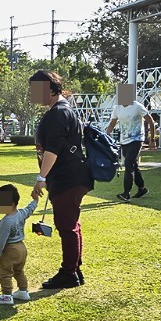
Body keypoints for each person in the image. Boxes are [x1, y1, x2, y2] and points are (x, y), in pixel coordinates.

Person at [29, 70, 92, 289]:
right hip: (72, 176)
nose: (33, 95)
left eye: (36, 90)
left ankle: (69, 273)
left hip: (68, 177)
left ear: (49, 89)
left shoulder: (58, 113)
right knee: (71, 224)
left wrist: (41, 177)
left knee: (66, 225)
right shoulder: (63, 110)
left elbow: (53, 149)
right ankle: (74, 268)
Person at [0, 184, 37, 305]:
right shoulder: (21, 213)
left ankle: (6, 296)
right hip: (21, 248)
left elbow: (2, 240)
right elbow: (30, 209)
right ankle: (23, 291)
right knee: (19, 271)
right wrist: (35, 200)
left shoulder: (6, 221)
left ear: (11, 204)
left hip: (10, 250)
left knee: (5, 272)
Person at [106, 96, 156, 202]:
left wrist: (152, 140)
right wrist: (106, 135)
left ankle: (126, 193)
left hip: (137, 139)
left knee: (128, 163)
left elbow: (151, 121)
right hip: (124, 140)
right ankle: (142, 188)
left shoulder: (137, 106)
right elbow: (112, 123)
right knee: (133, 164)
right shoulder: (117, 108)